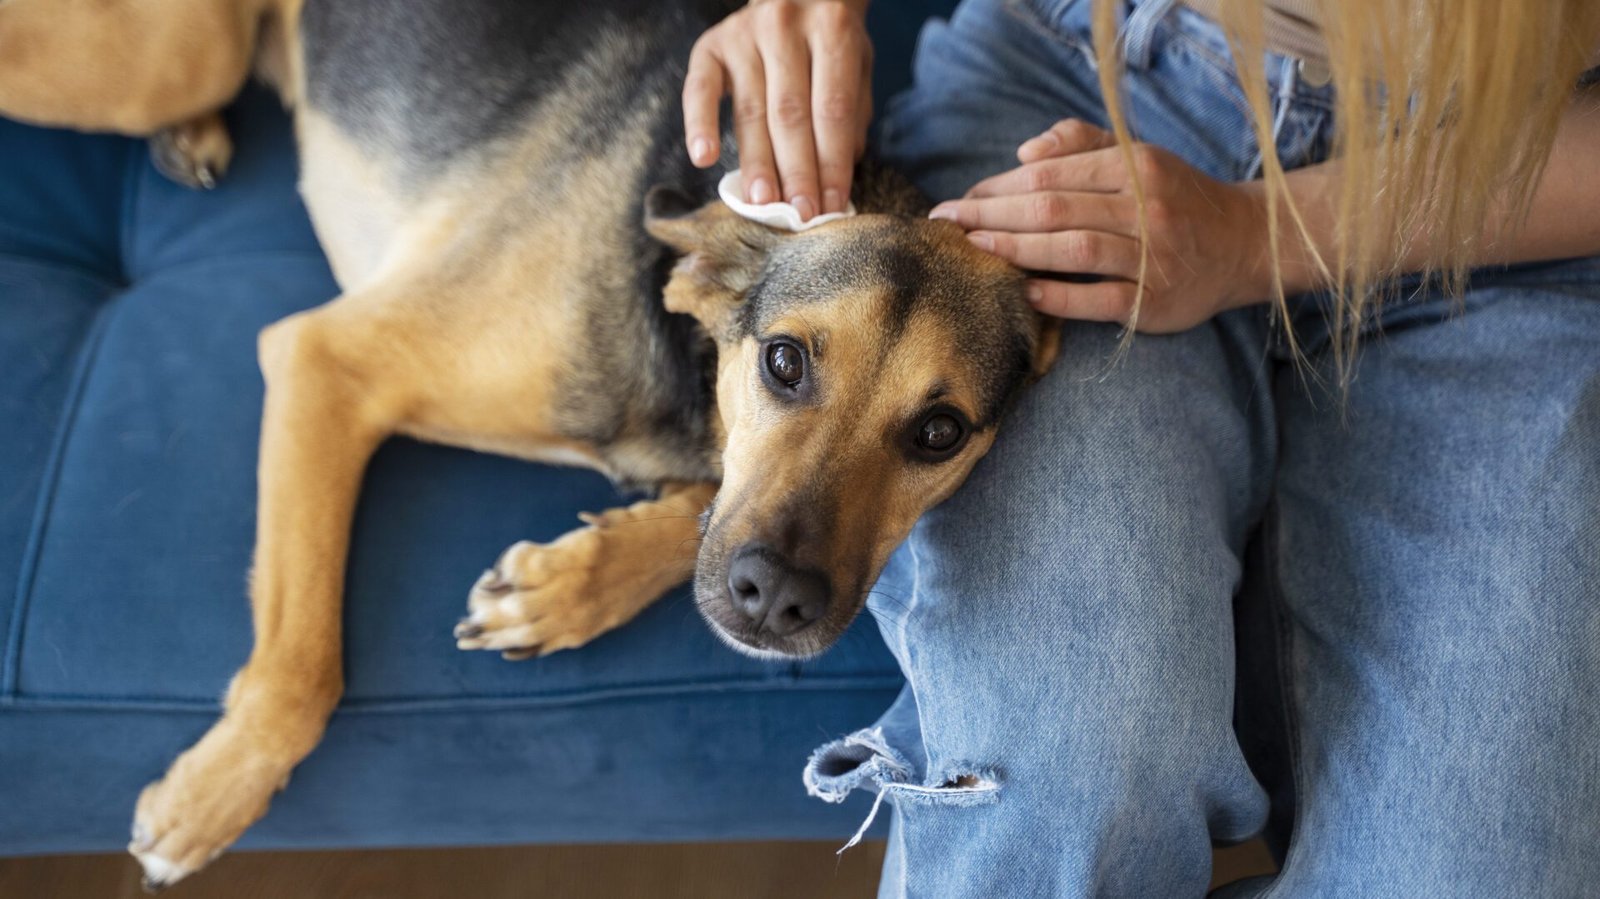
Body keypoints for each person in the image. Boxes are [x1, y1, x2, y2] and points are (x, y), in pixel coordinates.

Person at [683, 0, 1600, 895]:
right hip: (1086, 85)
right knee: (1068, 761)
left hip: (1522, 188)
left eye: (932, 432)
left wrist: (1255, 238)